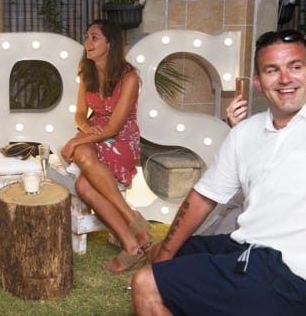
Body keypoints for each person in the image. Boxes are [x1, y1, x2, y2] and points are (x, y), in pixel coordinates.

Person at [131, 29, 306, 316]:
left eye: (295, 67)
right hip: (247, 246)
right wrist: (163, 256)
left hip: (289, 272)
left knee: (146, 282)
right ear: (259, 83)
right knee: (161, 253)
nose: (285, 79)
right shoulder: (247, 132)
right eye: (273, 70)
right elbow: (203, 197)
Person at [60, 19, 151, 273]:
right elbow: (80, 114)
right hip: (95, 133)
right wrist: (86, 130)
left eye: (94, 38)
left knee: (82, 184)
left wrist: (77, 138)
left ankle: (132, 232)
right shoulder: (86, 73)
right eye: (87, 37)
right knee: (82, 156)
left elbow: (113, 128)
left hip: (121, 138)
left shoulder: (129, 77)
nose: (87, 43)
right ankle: (133, 239)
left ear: (110, 44)